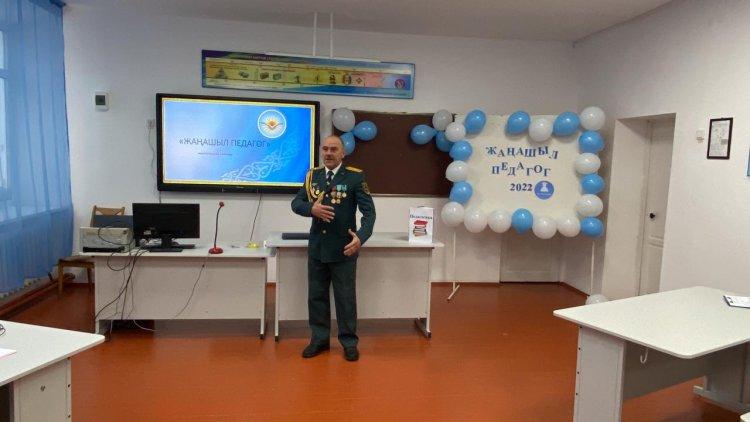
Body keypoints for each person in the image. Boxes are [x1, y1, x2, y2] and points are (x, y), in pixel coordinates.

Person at [291, 136, 376, 361]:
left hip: (344, 249)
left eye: (334, 149)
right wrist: (311, 209)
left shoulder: (355, 177)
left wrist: (360, 238)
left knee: (345, 298)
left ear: (343, 153)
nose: (328, 153)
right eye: (325, 149)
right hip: (318, 248)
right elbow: (296, 203)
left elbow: (369, 214)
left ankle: (349, 342)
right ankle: (319, 340)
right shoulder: (313, 176)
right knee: (316, 297)